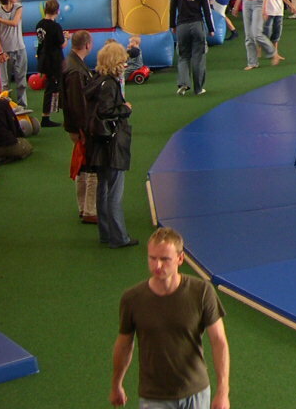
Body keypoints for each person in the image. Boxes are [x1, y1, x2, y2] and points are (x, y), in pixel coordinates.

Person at [112, 227, 230, 409]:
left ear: (180, 259)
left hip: (196, 392)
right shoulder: (132, 299)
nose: (157, 265)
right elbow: (124, 344)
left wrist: (223, 391)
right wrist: (116, 384)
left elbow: (219, 341)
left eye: (164, 259)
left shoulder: (201, 292)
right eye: (152, 258)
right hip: (154, 396)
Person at [85, 40, 137, 249]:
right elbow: (106, 112)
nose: (125, 64)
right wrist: (125, 109)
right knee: (114, 192)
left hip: (98, 144)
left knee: (103, 189)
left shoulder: (96, 81)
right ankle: (119, 237)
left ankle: (106, 233)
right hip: (111, 143)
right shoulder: (109, 84)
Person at [61, 29, 98, 222]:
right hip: (82, 126)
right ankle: (90, 210)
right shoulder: (76, 70)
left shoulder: (71, 63)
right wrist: (83, 128)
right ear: (87, 45)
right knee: (90, 167)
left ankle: (84, 208)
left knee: (83, 166)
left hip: (76, 125)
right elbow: (77, 103)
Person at [171, 0, 214, 96]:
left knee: (183, 56)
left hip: (182, 26)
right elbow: (207, 11)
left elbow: (172, 9)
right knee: (198, 57)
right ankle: (198, 88)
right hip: (197, 25)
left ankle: (184, 83)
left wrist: (172, 25)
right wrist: (211, 28)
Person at [0, 0, 27, 108]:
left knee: (21, 81)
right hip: (5, 51)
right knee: (5, 83)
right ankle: (6, 107)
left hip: (20, 49)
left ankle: (22, 106)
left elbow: (15, 23)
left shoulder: (18, 7)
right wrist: (0, 52)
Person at [36, 0, 66, 127]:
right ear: (57, 11)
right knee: (53, 87)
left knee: (53, 87)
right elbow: (62, 44)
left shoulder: (40, 24)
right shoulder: (55, 26)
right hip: (54, 61)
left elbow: (42, 41)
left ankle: (49, 115)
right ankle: (46, 116)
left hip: (44, 59)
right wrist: (67, 38)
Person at [263, 0, 296, 66]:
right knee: (266, 32)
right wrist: (263, 9)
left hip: (278, 10)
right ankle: (261, 49)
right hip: (269, 10)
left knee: (277, 32)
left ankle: (275, 53)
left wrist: (291, 5)